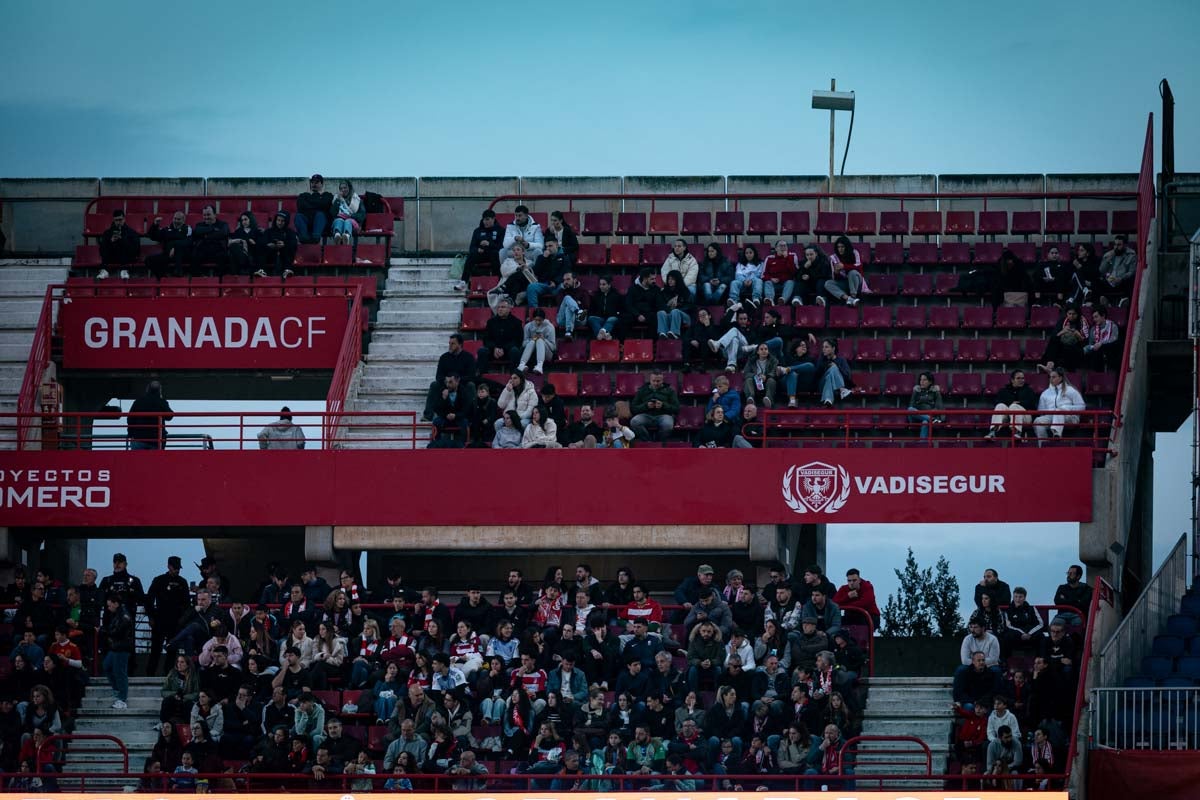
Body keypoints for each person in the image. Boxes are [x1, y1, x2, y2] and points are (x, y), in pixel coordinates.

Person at [145, 556, 191, 676]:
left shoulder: (182, 582)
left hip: (176, 621)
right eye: (175, 568)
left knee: (172, 649)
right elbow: (149, 600)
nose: (177, 570)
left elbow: (186, 604)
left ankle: (169, 673)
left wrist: (182, 620)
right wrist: (151, 616)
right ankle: (150, 673)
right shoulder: (159, 580)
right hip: (159, 619)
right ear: (169, 566)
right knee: (155, 649)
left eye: (178, 568)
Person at [421, 334, 476, 421]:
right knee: (434, 385)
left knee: (471, 385)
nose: (450, 346)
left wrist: (456, 382)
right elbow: (439, 376)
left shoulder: (468, 357)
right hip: (446, 385)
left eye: (453, 343)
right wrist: (448, 383)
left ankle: (472, 417)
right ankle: (428, 415)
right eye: (449, 343)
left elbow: (472, 376)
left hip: (461, 386)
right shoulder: (444, 357)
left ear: (460, 344)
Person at [101, 593, 133, 709]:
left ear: (116, 604)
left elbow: (119, 631)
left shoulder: (124, 615)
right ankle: (117, 691)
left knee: (120, 673)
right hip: (115, 647)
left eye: (110, 605)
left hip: (122, 647)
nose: (108, 608)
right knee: (106, 666)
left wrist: (105, 632)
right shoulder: (117, 615)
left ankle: (122, 698)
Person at [1034, 366, 1085, 439]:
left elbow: (1082, 406)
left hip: (1070, 417)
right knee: (1038, 421)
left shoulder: (1071, 390)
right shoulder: (1045, 393)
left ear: (1060, 378)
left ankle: (1057, 435)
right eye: (1050, 377)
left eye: (1054, 377)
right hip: (1051, 417)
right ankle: (1043, 444)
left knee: (1058, 411)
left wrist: (1066, 408)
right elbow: (1041, 411)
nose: (1051, 379)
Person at [986, 368, 1038, 439]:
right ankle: (993, 431)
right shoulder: (1004, 391)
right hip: (1008, 417)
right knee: (1000, 405)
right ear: (1012, 380)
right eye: (1018, 378)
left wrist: (1018, 404)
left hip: (1025, 417)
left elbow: (1032, 404)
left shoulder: (1029, 390)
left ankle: (1017, 432)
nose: (1021, 380)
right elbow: (997, 402)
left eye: (1023, 378)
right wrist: (1010, 403)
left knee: (1014, 406)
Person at [629, 370, 679, 442]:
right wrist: (646, 406)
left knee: (668, 425)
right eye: (653, 381)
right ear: (650, 380)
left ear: (662, 380)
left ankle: (658, 441)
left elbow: (676, 408)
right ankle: (648, 441)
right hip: (646, 415)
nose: (656, 383)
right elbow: (633, 408)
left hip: (663, 415)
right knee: (634, 421)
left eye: (658, 381)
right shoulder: (642, 390)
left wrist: (663, 405)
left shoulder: (670, 391)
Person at [477, 298, 524, 374]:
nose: (500, 309)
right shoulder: (491, 322)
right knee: (482, 351)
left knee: (515, 351)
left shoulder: (516, 322)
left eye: (503, 307)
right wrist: (494, 348)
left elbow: (518, 341)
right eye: (498, 307)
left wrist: (504, 349)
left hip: (508, 351)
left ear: (509, 309)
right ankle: (483, 377)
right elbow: (486, 339)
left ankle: (514, 377)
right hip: (493, 351)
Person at [461, 209, 505, 287]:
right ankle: (463, 281)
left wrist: (489, 244)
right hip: (481, 255)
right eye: (484, 219)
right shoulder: (477, 231)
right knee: (471, 255)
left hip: (493, 255)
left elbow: (501, 247)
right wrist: (477, 249)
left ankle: (497, 281)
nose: (485, 222)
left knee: (495, 254)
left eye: (487, 219)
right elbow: (472, 247)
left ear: (493, 219)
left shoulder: (501, 230)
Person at [1038, 305, 1089, 373]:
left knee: (1066, 349)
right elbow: (1055, 336)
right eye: (1069, 314)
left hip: (1077, 347)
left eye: (1074, 314)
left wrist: (1078, 334)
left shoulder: (1083, 322)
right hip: (1063, 345)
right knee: (1054, 341)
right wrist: (1063, 331)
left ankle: (1052, 367)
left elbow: (1085, 343)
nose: (1071, 316)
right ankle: (1050, 364)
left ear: (1078, 314)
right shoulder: (1063, 320)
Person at [127, 380, 174, 450]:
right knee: (155, 460)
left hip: (138, 437)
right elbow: (169, 416)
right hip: (156, 440)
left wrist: (130, 434)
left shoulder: (138, 401)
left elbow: (130, 419)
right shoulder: (162, 402)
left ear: (147, 389)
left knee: (137, 460)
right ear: (160, 390)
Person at [526, 237, 571, 309]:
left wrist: (555, 282)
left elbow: (565, 272)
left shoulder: (564, 257)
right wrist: (544, 258)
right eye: (546, 246)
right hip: (543, 284)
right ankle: (534, 311)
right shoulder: (541, 257)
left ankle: (560, 311)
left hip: (558, 285)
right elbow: (536, 272)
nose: (548, 248)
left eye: (550, 246)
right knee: (531, 287)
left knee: (565, 287)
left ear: (556, 245)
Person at [145, 211, 192, 277]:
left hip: (182, 256)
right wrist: (155, 225)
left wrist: (174, 247)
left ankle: (178, 274)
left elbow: (188, 242)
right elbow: (153, 236)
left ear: (183, 220)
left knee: (179, 250)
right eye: (175, 219)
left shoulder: (187, 229)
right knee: (148, 260)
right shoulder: (167, 229)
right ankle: (162, 277)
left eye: (178, 219)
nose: (176, 221)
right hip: (168, 255)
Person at [97, 209, 141, 280]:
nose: (118, 222)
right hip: (112, 257)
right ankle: (104, 270)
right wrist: (111, 241)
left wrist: (122, 240)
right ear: (113, 220)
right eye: (116, 220)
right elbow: (102, 251)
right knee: (105, 243)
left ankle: (124, 270)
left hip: (127, 258)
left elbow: (135, 250)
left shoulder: (132, 233)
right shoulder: (107, 233)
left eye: (120, 220)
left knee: (124, 247)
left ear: (124, 219)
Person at [619, 267, 660, 340]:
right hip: (635, 314)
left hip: (648, 314)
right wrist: (637, 315)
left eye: (655, 278)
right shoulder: (633, 288)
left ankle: (652, 344)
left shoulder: (655, 289)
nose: (654, 281)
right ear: (645, 279)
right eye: (652, 279)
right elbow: (628, 304)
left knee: (655, 317)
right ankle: (623, 343)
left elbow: (658, 304)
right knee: (624, 318)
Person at [190, 204, 231, 273]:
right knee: (194, 255)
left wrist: (206, 235)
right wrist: (213, 229)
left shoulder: (223, 224)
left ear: (215, 215)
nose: (206, 217)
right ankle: (197, 280)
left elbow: (223, 233)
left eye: (208, 215)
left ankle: (221, 281)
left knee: (223, 256)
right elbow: (196, 232)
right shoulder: (199, 225)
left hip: (218, 249)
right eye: (204, 215)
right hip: (203, 249)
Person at [825, 236, 864, 306]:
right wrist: (836, 272)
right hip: (845, 283)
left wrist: (844, 266)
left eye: (842, 247)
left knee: (852, 272)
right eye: (838, 247)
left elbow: (859, 267)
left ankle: (853, 296)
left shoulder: (854, 253)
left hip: (857, 283)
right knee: (828, 283)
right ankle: (849, 299)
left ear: (847, 247)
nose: (840, 249)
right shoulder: (834, 258)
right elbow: (836, 279)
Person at [814, 338, 853, 407]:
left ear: (833, 348)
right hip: (822, 385)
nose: (823, 349)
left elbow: (847, 376)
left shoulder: (841, 360)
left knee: (831, 372)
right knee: (833, 368)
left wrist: (837, 367)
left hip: (832, 384)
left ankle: (828, 399)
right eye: (823, 347)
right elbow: (816, 375)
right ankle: (842, 390)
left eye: (826, 347)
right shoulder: (821, 359)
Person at [296, 174, 333, 244]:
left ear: (322, 184)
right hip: (307, 221)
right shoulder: (303, 196)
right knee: (298, 216)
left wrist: (310, 205)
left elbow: (325, 205)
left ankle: (316, 237)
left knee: (320, 215)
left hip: (321, 224)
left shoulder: (327, 195)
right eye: (312, 182)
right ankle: (304, 237)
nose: (314, 184)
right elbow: (301, 207)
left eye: (317, 182)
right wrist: (318, 205)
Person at [259, 211, 298, 278]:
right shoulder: (269, 231)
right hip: (270, 255)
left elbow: (294, 244)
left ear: (286, 221)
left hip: (284, 256)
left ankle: (287, 270)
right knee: (262, 248)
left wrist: (284, 244)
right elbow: (262, 242)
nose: (280, 223)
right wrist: (269, 245)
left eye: (282, 221)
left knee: (288, 248)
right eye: (278, 220)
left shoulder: (290, 232)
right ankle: (261, 270)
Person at [1097, 233, 1136, 300]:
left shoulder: (1131, 255)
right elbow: (1101, 271)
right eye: (1115, 244)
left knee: (1129, 281)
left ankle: (1124, 302)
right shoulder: (1109, 254)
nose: (1116, 247)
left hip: (1122, 281)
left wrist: (1121, 278)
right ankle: (1102, 303)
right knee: (1097, 281)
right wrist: (1107, 261)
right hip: (1109, 280)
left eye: (1119, 245)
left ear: (1125, 245)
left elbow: (1131, 272)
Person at [518, 307, 556, 374]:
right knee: (533, 341)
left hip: (547, 353)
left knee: (539, 340)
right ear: (533, 319)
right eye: (536, 320)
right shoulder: (528, 326)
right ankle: (521, 364)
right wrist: (531, 339)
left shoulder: (550, 327)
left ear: (544, 319)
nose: (538, 322)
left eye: (540, 320)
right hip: (531, 351)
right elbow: (523, 344)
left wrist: (544, 339)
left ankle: (539, 365)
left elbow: (553, 348)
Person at [907, 371, 944, 439]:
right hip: (916, 417)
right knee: (910, 409)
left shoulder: (935, 392)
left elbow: (939, 407)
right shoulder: (916, 391)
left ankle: (922, 445)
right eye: (921, 380)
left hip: (929, 415)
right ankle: (932, 420)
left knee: (925, 422)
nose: (922, 382)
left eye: (924, 380)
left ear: (930, 382)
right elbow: (911, 406)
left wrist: (941, 418)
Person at [657, 268, 693, 339]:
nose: (670, 281)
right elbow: (660, 305)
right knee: (660, 312)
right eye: (669, 279)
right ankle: (663, 333)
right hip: (669, 313)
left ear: (677, 280)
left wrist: (678, 306)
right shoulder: (663, 292)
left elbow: (690, 306)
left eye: (672, 279)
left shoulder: (685, 291)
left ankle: (675, 333)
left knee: (675, 311)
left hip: (684, 316)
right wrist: (668, 307)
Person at [587, 274, 624, 341]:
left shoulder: (616, 295)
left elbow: (621, 309)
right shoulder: (596, 296)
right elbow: (591, 310)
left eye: (603, 284)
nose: (601, 286)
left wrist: (617, 314)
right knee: (591, 318)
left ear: (609, 285)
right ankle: (605, 334)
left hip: (612, 318)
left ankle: (600, 334)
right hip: (600, 318)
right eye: (600, 284)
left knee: (611, 319)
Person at [742, 343, 779, 409]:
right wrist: (756, 376)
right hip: (755, 383)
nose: (764, 351)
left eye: (766, 349)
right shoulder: (751, 361)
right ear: (757, 352)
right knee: (748, 379)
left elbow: (774, 372)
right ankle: (750, 399)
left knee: (771, 380)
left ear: (768, 351)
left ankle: (768, 399)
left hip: (766, 383)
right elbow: (746, 373)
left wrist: (766, 376)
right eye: (761, 349)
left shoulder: (774, 360)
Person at [1083, 306, 1120, 371]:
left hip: (1110, 350)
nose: (1094, 319)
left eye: (1096, 317)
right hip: (1097, 354)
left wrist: (1101, 343)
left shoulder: (1113, 326)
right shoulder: (1092, 329)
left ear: (1103, 316)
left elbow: (1114, 339)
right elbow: (1090, 344)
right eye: (1093, 317)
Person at [729, 244, 765, 310]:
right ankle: (734, 300)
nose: (748, 255)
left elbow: (760, 274)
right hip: (743, 283)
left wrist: (751, 280)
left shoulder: (760, 264)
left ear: (754, 253)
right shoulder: (740, 264)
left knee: (759, 281)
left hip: (754, 283)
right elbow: (738, 275)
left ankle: (756, 298)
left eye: (750, 253)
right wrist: (744, 280)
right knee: (734, 282)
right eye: (746, 253)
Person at [763, 239, 799, 305]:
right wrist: (771, 278)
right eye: (781, 246)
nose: (783, 248)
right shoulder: (769, 258)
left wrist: (787, 258)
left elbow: (795, 272)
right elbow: (764, 274)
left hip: (786, 282)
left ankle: (783, 300)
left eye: (785, 246)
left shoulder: (793, 256)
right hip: (773, 283)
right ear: (776, 248)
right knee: (767, 282)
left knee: (790, 282)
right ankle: (770, 300)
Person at [330, 180, 364, 245]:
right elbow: (333, 213)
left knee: (347, 221)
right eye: (341, 188)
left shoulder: (357, 200)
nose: (343, 190)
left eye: (345, 188)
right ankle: (337, 236)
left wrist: (351, 216)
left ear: (349, 188)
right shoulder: (336, 199)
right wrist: (338, 201)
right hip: (339, 221)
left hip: (353, 224)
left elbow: (362, 216)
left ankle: (346, 237)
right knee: (338, 220)